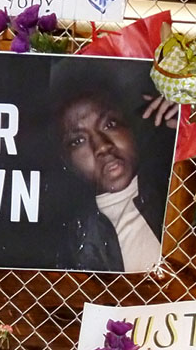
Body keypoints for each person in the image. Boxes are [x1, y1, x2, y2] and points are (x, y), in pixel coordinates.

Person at [54, 87, 177, 273]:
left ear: (131, 128)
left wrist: (188, 127)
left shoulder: (174, 184)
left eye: (109, 125)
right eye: (78, 140)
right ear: (67, 161)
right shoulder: (75, 241)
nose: (102, 146)